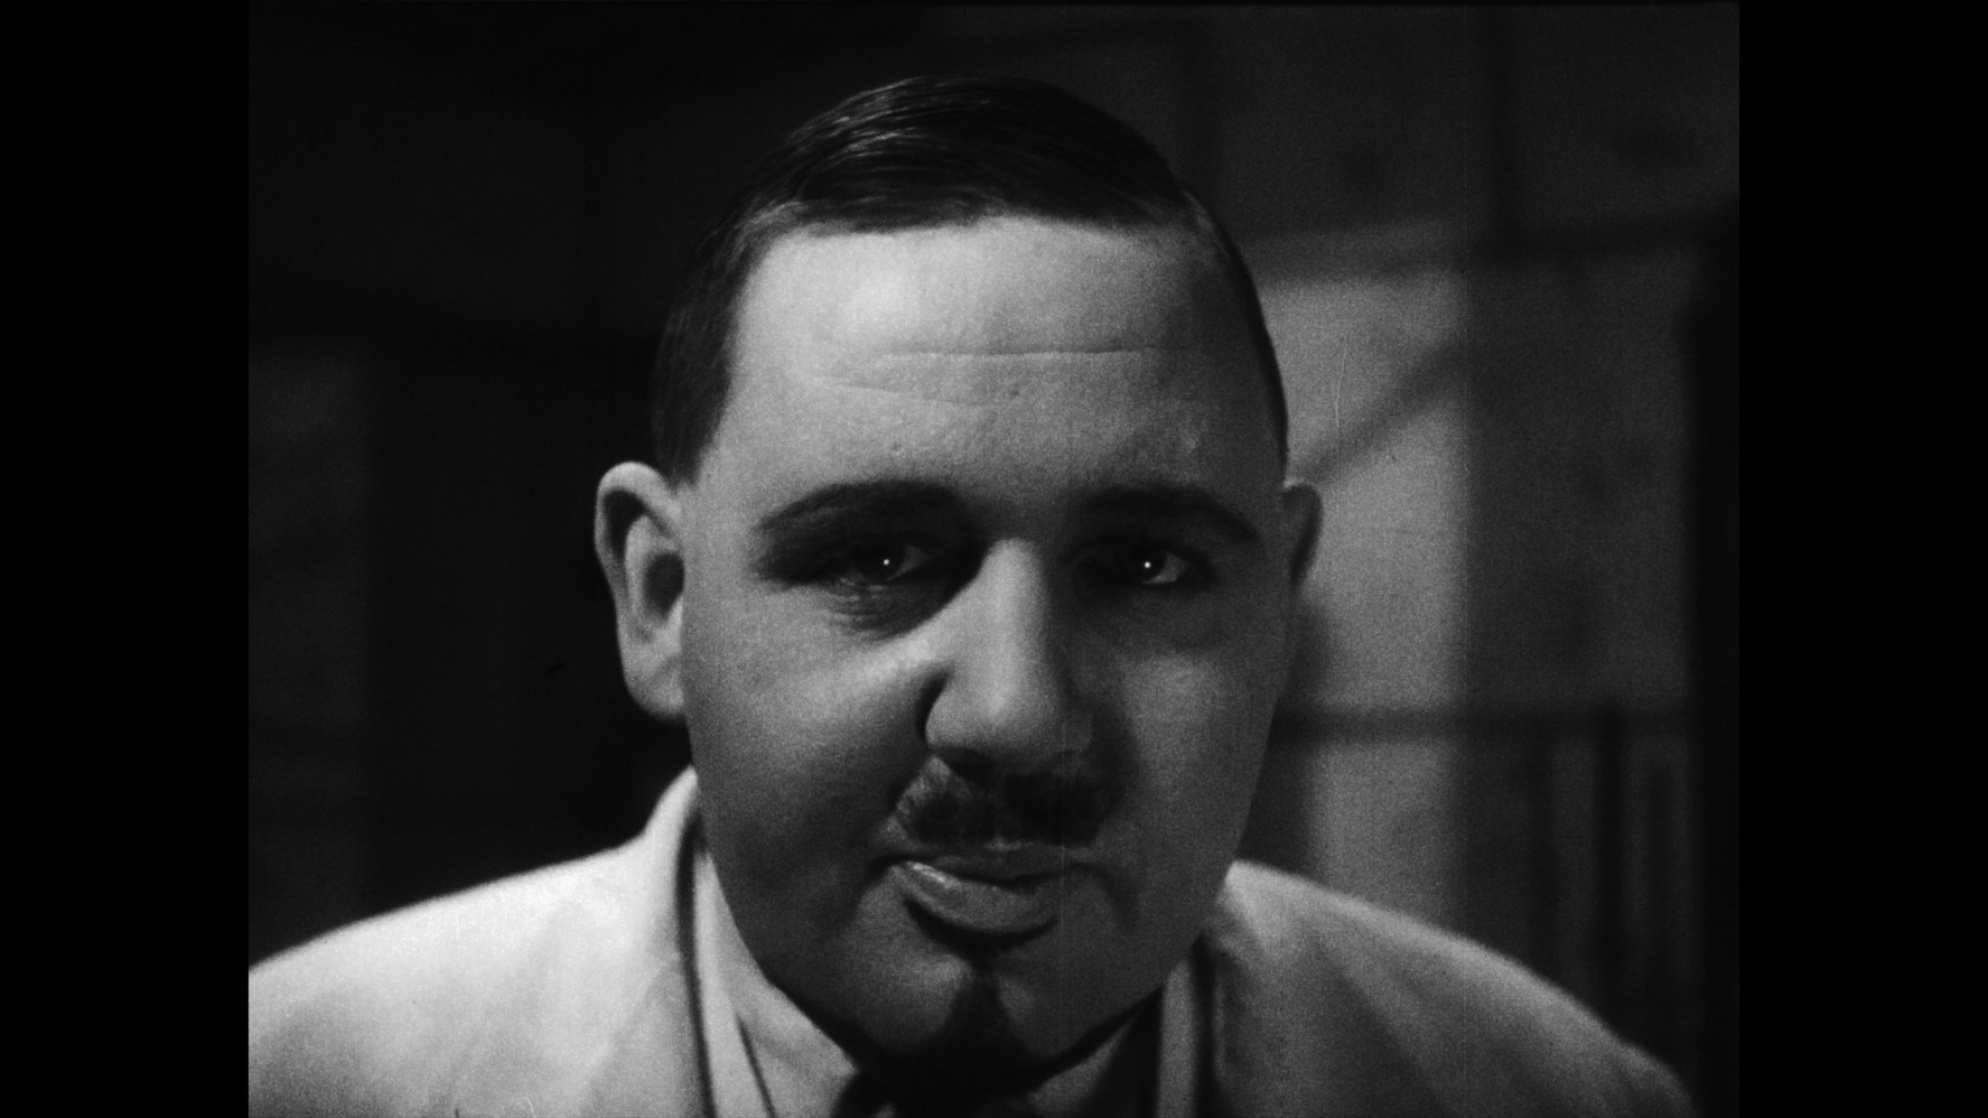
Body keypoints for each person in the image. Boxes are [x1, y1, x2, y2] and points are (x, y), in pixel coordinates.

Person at [249, 75, 1694, 1118]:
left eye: (1146, 566)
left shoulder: (1553, 1089)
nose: (1014, 712)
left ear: (1280, 605)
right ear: (662, 598)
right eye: (879, 559)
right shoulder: (301, 1075)